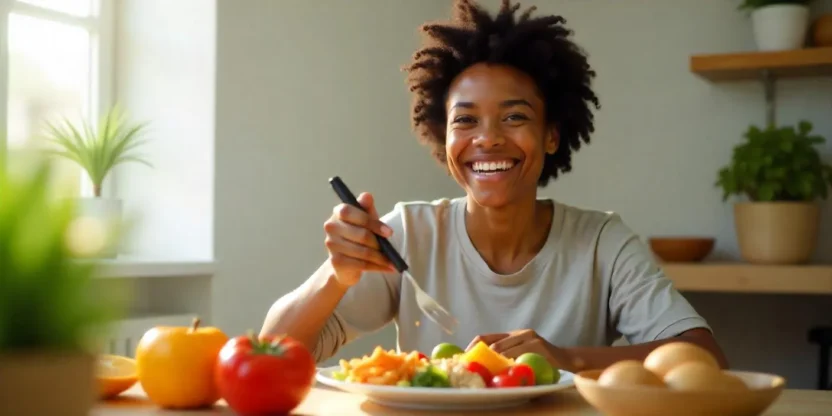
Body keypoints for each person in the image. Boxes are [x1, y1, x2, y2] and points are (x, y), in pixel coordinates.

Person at [260, 0, 728, 372]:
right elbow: (273, 351)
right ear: (443, 140)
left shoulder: (602, 244)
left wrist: (568, 358)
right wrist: (336, 274)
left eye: (514, 116)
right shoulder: (408, 235)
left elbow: (704, 357)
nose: (487, 138)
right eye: (465, 120)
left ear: (551, 134)